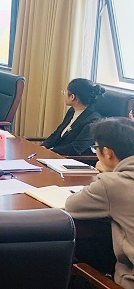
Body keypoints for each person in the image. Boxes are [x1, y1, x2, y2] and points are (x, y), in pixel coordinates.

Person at [65, 118, 134, 289]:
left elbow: (72, 205)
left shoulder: (112, 184)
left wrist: (108, 174)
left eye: (95, 148)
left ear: (108, 152)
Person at [42, 79, 105, 156]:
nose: (63, 95)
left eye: (64, 92)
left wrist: (50, 151)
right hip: (57, 155)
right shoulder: (72, 110)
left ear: (72, 97)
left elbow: (76, 148)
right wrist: (43, 147)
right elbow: (57, 133)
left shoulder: (93, 121)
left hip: (72, 159)